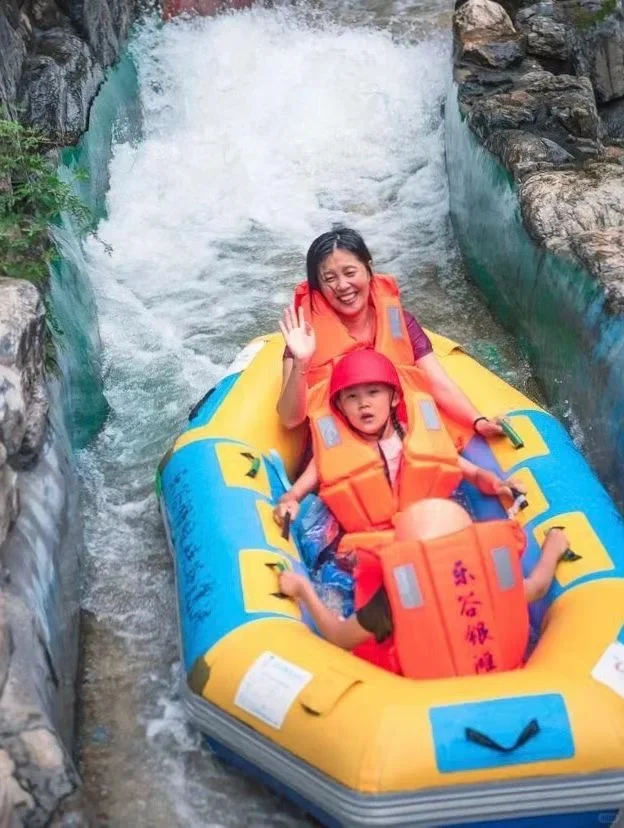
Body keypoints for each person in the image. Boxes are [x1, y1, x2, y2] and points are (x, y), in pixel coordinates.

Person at [277, 498, 570, 679]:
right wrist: (553, 550)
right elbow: (538, 586)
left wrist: (303, 589)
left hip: (426, 705)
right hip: (505, 683)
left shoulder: (394, 599)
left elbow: (339, 637)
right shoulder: (493, 580)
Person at [277, 227, 504, 445]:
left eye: (349, 272)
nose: (342, 285)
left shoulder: (401, 323)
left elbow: (438, 382)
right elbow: (290, 419)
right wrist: (301, 362)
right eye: (329, 278)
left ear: (368, 270)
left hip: (403, 437)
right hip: (339, 449)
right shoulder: (303, 336)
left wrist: (478, 421)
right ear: (318, 287)